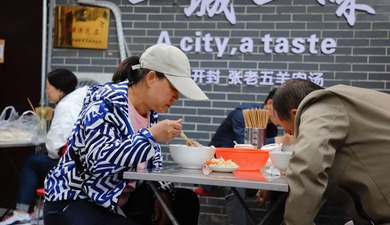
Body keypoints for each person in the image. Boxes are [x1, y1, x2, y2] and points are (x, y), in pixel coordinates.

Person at [43, 44, 208, 225]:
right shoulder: (104, 105)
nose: (177, 96)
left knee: (185, 201)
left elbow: (154, 163)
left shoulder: (150, 113)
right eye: (174, 87)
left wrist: (162, 191)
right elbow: (99, 162)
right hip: (77, 199)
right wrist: (150, 136)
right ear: (151, 77)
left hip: (118, 200)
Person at [272, 78, 390, 225]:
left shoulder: (322, 106)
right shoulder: (353, 100)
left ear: (296, 114)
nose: (292, 136)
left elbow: (308, 167)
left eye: (290, 130)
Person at [0, 69, 88, 225]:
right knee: (40, 161)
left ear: (59, 90)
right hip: (83, 163)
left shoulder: (66, 106)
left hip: (72, 168)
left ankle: (21, 212)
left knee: (32, 161)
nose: (46, 90)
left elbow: (55, 147)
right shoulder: (80, 101)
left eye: (48, 86)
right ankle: (38, 209)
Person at [203, 89, 294, 225]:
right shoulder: (242, 113)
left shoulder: (272, 128)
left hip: (248, 174)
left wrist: (268, 184)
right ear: (270, 103)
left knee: (282, 189)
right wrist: (280, 140)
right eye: (282, 110)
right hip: (217, 173)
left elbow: (265, 158)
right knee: (236, 186)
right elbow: (246, 145)